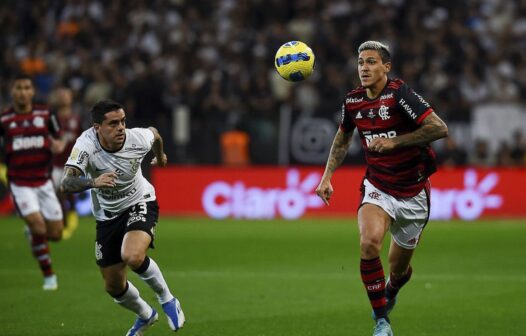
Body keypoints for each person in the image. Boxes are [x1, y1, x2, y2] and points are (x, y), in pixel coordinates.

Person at [316, 41, 448, 336]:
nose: (364, 67)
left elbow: (439, 128)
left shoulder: (400, 95)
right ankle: (381, 321)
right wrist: (326, 177)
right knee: (368, 242)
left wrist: (395, 141)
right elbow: (341, 139)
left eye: (372, 62)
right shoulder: (352, 102)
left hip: (413, 193)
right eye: (361, 62)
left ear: (386, 67)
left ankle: (392, 288)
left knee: (399, 270)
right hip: (378, 186)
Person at [60, 100, 185, 335]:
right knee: (113, 285)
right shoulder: (85, 145)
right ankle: (146, 315)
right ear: (97, 128)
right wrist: (93, 181)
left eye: (123, 121)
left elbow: (155, 135)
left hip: (140, 201)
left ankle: (167, 299)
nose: (121, 128)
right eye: (113, 123)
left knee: (132, 255)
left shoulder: (136, 138)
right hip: (107, 215)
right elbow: (66, 183)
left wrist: (160, 156)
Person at [0, 74, 66, 290]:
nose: (22, 92)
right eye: (18, 87)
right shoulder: (4, 120)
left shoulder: (45, 114)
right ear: (13, 92)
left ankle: (33, 233)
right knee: (39, 226)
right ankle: (49, 276)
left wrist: (58, 144)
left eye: (26, 87)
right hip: (20, 184)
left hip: (44, 182)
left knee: (56, 234)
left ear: (32, 92)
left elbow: (59, 137)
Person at [50, 87, 82, 239]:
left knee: (63, 192)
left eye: (66, 95)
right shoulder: (52, 119)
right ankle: (62, 223)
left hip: (72, 164)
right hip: (54, 165)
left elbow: (84, 139)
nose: (63, 97)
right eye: (60, 94)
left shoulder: (76, 119)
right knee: (55, 196)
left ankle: (68, 222)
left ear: (71, 98)